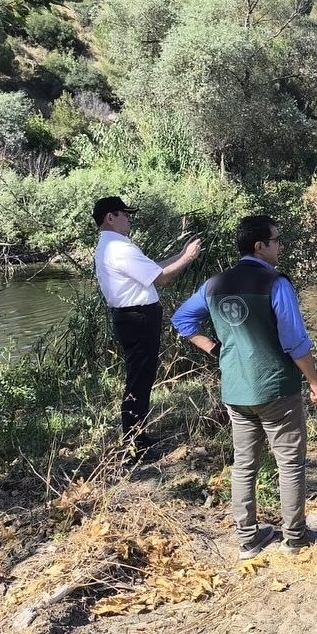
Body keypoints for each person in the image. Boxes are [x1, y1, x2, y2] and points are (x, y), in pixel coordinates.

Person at [171, 214, 317, 560]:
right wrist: (314, 381)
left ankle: (247, 540)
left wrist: (216, 350)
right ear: (260, 246)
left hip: (237, 391)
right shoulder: (275, 283)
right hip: (277, 389)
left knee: (244, 465)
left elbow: (182, 319)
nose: (280, 246)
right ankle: (295, 539)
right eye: (276, 240)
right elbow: (295, 341)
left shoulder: (214, 284)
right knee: (290, 464)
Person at [92, 195, 202, 456]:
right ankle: (135, 444)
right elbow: (161, 279)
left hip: (133, 317)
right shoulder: (118, 248)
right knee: (139, 379)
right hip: (137, 318)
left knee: (141, 377)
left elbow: (152, 270)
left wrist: (181, 254)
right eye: (125, 214)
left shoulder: (113, 245)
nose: (129, 218)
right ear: (110, 217)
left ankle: (138, 437)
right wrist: (188, 258)